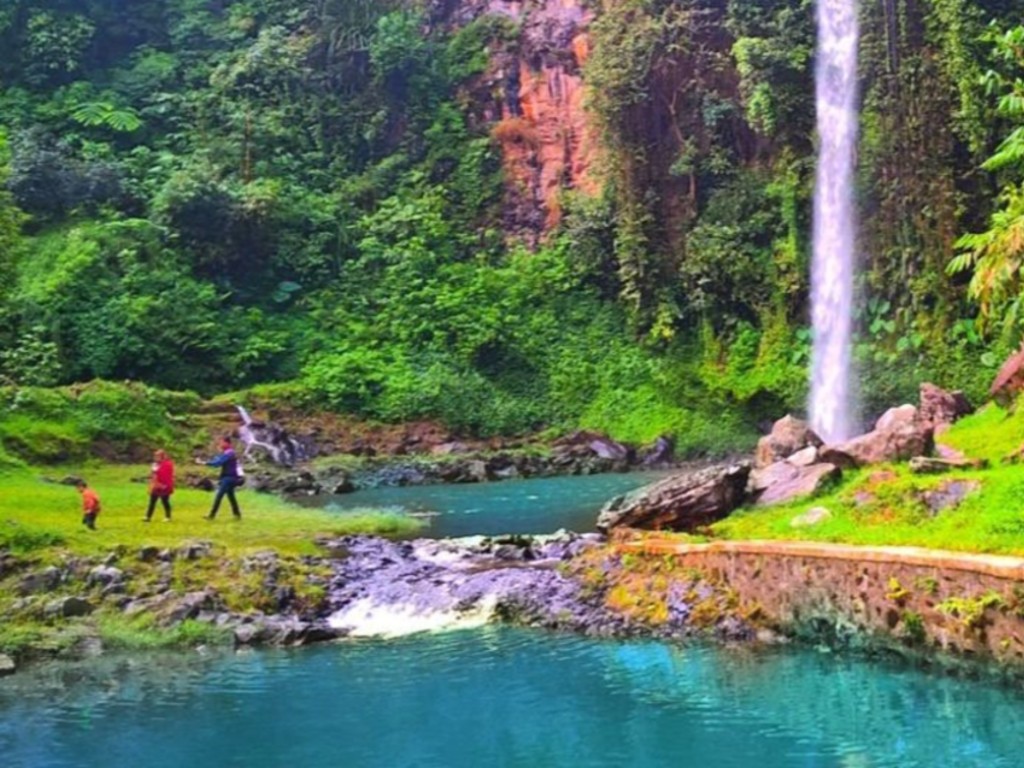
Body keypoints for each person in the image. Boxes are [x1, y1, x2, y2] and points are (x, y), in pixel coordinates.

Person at [197, 436, 243, 520]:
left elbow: (218, 463)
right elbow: (218, 461)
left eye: (222, 442)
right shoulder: (228, 453)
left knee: (219, 495)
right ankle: (237, 514)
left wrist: (204, 463)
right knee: (231, 496)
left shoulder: (229, 453)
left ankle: (211, 515)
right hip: (231, 477)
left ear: (227, 443)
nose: (220, 444)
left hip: (228, 478)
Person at [144, 449, 175, 522]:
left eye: (158, 456)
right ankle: (148, 516)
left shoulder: (167, 464)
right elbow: (153, 474)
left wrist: (163, 484)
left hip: (164, 486)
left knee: (165, 501)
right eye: (155, 456)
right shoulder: (155, 464)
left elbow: (167, 475)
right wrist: (152, 483)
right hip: (156, 485)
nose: (156, 458)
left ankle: (168, 516)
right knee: (152, 501)